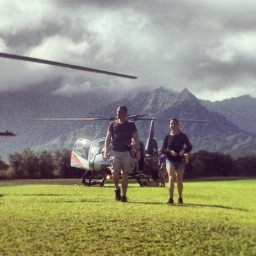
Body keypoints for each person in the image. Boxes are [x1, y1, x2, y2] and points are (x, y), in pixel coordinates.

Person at [103, 106, 141, 202]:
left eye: (120, 112)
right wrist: (106, 151)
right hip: (115, 151)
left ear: (125, 113)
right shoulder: (112, 124)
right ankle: (117, 189)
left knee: (125, 174)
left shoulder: (131, 125)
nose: (118, 113)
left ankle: (124, 195)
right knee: (114, 173)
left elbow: (136, 138)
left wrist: (138, 150)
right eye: (117, 111)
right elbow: (108, 138)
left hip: (126, 152)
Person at [161, 118, 192, 205]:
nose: (172, 125)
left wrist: (184, 150)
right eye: (171, 124)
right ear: (169, 125)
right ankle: (170, 198)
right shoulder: (167, 137)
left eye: (174, 124)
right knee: (171, 178)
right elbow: (163, 149)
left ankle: (180, 197)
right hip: (170, 160)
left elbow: (190, 146)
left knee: (179, 179)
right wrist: (170, 152)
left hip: (180, 160)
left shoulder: (183, 136)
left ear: (178, 125)